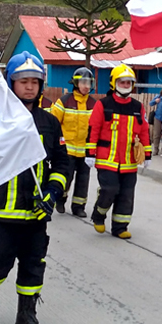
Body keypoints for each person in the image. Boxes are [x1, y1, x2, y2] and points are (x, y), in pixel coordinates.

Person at [0, 51, 69, 324]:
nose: (29, 86)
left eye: (34, 81)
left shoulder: (49, 123)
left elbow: (62, 164)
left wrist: (52, 193)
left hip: (36, 214)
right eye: (22, 81)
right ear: (10, 83)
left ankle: (27, 313)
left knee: (33, 266)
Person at [86, 63, 151, 239]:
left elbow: (144, 130)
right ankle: (98, 215)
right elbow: (94, 128)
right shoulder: (103, 104)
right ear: (114, 83)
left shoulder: (137, 107)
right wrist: (90, 153)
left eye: (128, 83)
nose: (125, 85)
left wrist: (147, 153)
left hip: (129, 161)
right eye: (122, 82)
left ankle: (120, 227)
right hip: (107, 159)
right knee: (110, 189)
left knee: (126, 195)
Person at [51, 67, 97, 218]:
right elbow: (53, 124)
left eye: (89, 83)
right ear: (76, 83)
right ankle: (61, 200)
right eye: (84, 82)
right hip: (68, 150)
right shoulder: (64, 101)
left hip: (85, 151)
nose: (87, 86)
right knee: (66, 178)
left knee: (83, 181)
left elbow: (97, 126)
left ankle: (79, 206)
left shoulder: (94, 104)